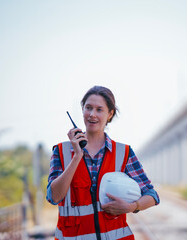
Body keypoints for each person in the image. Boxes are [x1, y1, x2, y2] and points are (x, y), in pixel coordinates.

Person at [46, 85, 160, 240]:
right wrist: (77, 156)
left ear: (110, 114)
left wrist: (132, 206)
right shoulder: (62, 151)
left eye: (99, 109)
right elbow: (54, 197)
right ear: (83, 110)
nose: (92, 114)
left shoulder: (123, 152)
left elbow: (152, 195)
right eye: (88, 108)